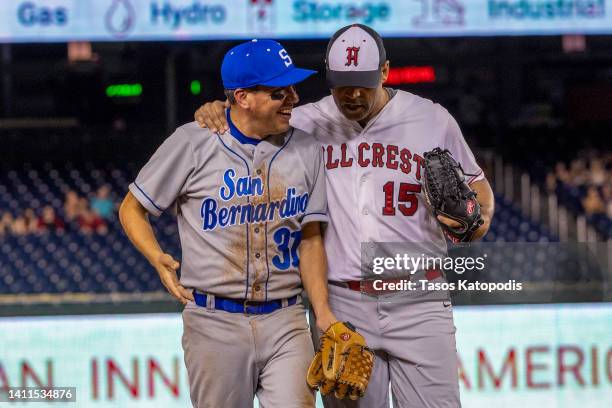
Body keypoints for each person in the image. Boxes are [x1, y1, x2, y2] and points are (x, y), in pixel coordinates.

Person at [195, 24, 495, 407]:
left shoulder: (432, 120)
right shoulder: (302, 122)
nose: (352, 94)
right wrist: (216, 109)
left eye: (363, 84)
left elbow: (477, 183)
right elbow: (247, 119)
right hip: (341, 304)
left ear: (384, 73)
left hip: (418, 296)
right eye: (342, 84)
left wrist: (480, 217)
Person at [120, 39, 337, 408]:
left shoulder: (307, 149)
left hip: (285, 318)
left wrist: (324, 314)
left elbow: (311, 239)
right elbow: (131, 208)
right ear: (242, 97)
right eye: (279, 92)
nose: (293, 99)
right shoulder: (192, 142)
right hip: (214, 321)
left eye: (293, 89)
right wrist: (156, 256)